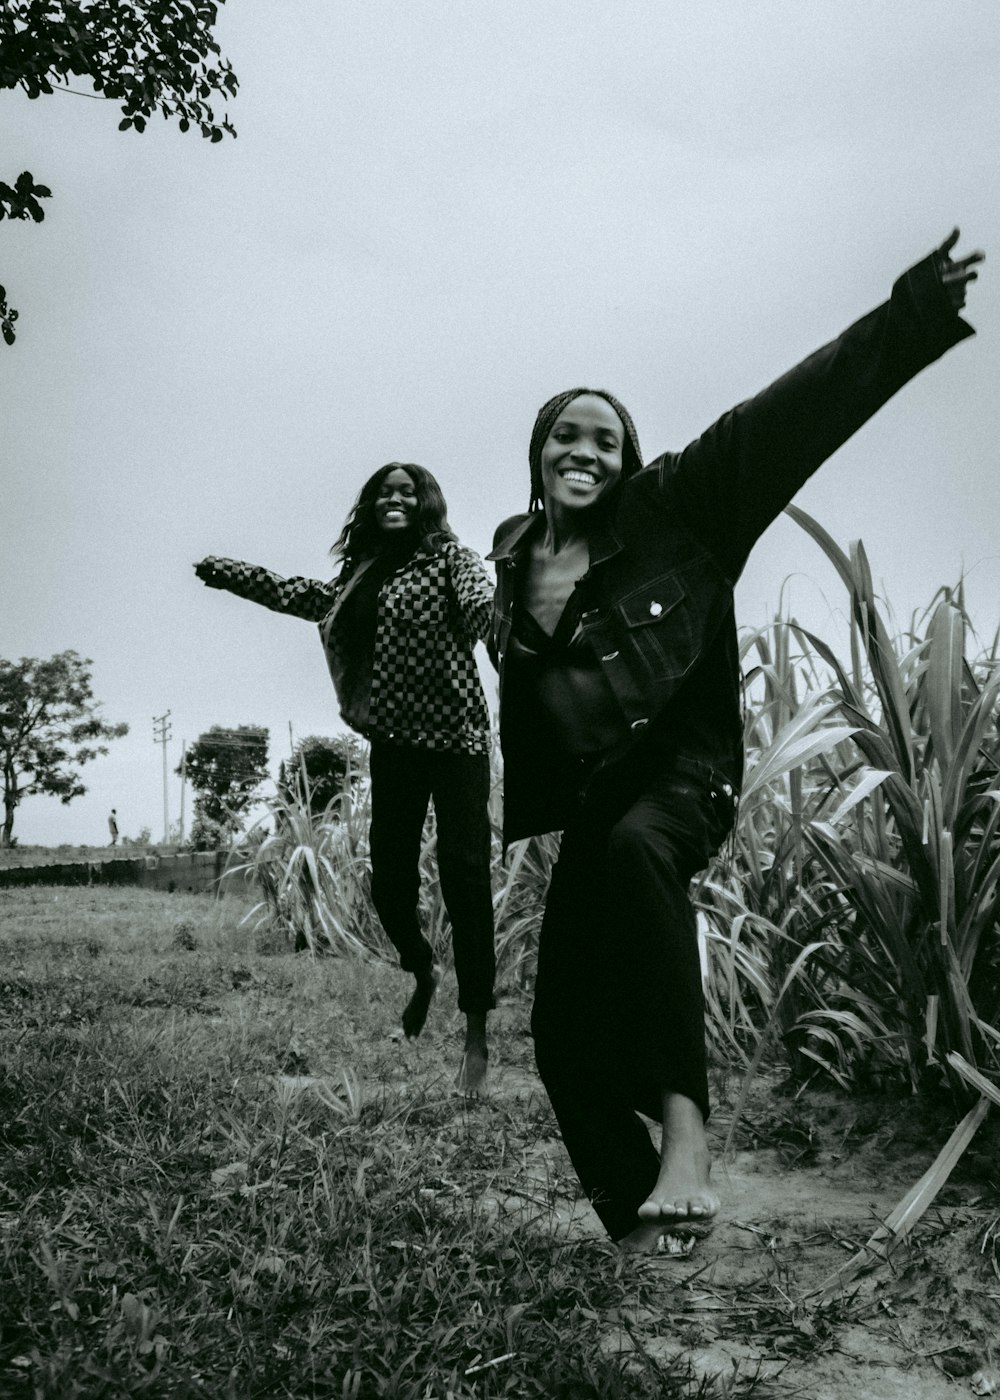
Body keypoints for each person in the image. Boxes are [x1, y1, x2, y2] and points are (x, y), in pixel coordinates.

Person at [486, 230, 983, 1250]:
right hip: (592, 803)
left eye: (603, 439)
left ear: (624, 461)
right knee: (559, 1040)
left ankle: (689, 1138)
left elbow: (788, 418)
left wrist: (906, 319)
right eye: (563, 437)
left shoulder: (678, 506)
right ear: (536, 457)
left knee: (635, 847)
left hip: (682, 782)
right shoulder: (511, 559)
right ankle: (642, 1233)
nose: (583, 450)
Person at [195, 463, 497, 1091]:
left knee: (464, 877)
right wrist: (228, 575)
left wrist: (491, 612)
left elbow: (477, 601)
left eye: (408, 491)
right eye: (385, 492)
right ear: (370, 506)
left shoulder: (449, 559)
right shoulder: (363, 579)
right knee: (388, 884)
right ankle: (422, 970)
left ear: (426, 504)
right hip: (396, 746)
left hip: (460, 742)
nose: (396, 498)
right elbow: (297, 593)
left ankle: (476, 1036)